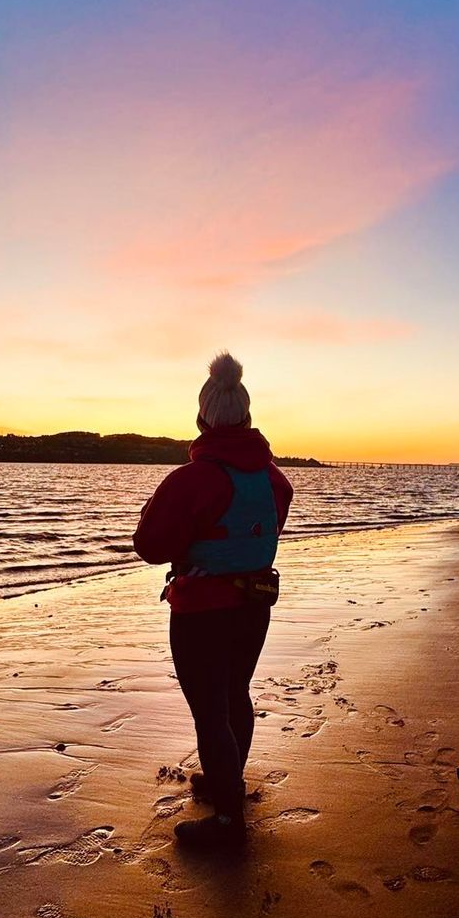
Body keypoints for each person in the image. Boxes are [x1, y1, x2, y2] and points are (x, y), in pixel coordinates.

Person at [133, 353, 293, 848]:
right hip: (253, 606)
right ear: (247, 418)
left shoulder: (190, 481)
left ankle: (227, 822)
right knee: (235, 695)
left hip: (201, 613)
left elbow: (149, 547)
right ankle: (228, 784)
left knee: (209, 711)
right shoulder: (275, 481)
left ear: (203, 419)